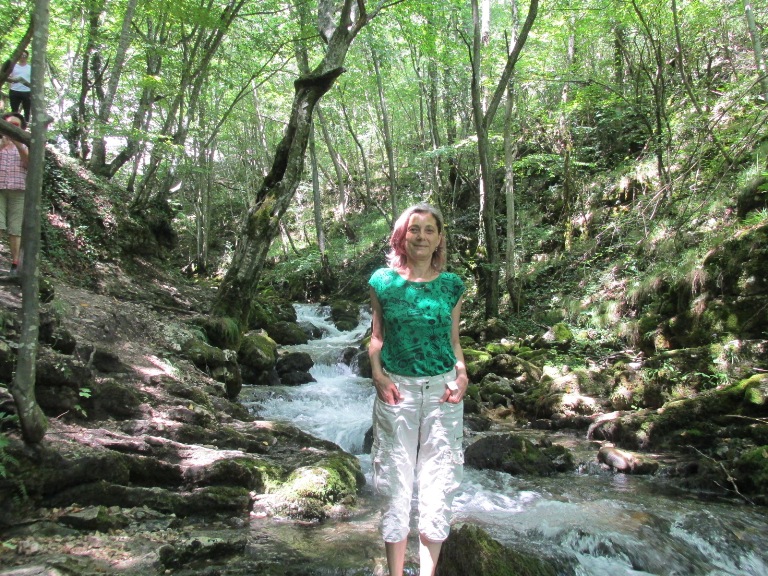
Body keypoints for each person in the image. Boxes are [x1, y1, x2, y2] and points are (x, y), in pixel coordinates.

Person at [368, 202, 468, 576]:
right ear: (402, 236)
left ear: (439, 238)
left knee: (438, 488)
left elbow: (453, 340)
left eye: (429, 230)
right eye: (414, 229)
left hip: (443, 394)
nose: (421, 236)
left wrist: (462, 374)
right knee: (395, 487)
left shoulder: (452, 286)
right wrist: (378, 375)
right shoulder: (383, 282)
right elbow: (377, 337)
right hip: (397, 392)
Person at [0, 112, 28, 276]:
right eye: (8, 125)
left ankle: (15, 264)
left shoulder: (26, 145)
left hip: (18, 191)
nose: (11, 128)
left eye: (15, 126)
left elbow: (29, 165)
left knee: (15, 229)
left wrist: (18, 145)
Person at [8, 51, 31, 123]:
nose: (23, 57)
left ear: (27, 57)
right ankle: (13, 125)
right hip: (14, 91)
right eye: (21, 55)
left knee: (27, 111)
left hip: (27, 91)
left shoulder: (30, 68)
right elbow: (8, 77)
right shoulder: (13, 66)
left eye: (24, 56)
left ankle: (26, 125)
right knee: (14, 111)